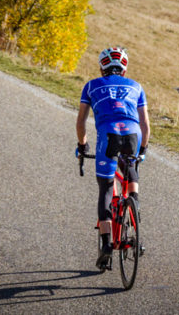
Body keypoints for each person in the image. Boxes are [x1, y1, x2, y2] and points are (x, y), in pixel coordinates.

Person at [76, 46, 150, 269]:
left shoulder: (90, 86)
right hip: (132, 134)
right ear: (124, 70)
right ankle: (134, 204)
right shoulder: (137, 86)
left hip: (108, 134)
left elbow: (81, 122)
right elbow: (145, 125)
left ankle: (107, 244)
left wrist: (82, 145)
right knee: (131, 168)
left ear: (101, 68)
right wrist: (143, 151)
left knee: (107, 188)